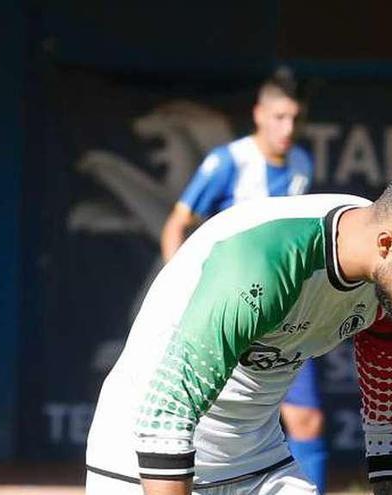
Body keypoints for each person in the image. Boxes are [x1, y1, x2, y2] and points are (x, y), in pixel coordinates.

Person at [85, 163, 392, 495]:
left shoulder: (390, 272)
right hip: (142, 457)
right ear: (387, 244)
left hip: (257, 462)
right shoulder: (265, 263)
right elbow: (168, 411)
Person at [156, 69, 328, 491]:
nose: (287, 128)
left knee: (306, 420)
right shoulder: (226, 162)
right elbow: (176, 225)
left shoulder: (303, 164)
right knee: (196, 419)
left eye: (295, 118)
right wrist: (184, 291)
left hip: (285, 314)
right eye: (278, 117)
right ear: (258, 114)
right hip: (229, 312)